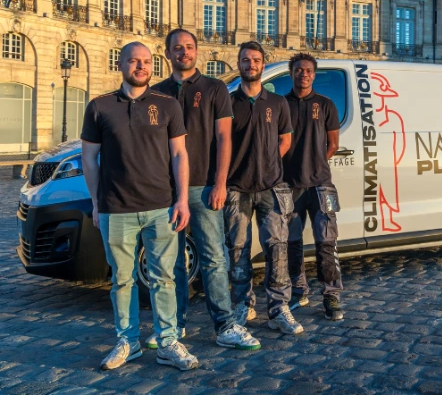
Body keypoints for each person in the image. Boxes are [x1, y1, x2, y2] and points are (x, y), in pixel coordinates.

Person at [81, 42, 198, 371]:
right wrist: (95, 202)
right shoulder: (100, 107)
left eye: (146, 62)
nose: (141, 66)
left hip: (161, 207)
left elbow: (179, 155)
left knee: (164, 279)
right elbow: (88, 158)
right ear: (121, 64)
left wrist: (182, 199)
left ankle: (168, 342)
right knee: (122, 279)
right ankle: (127, 342)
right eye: (134, 61)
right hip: (115, 209)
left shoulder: (167, 105)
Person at [149, 29, 260, 351]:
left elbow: (225, 138)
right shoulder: (157, 93)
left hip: (204, 187)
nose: (184, 52)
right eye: (177, 48)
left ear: (196, 51)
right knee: (173, 263)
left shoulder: (214, 89)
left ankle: (225, 325)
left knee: (213, 258)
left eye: (189, 47)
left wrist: (221, 183)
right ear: (168, 53)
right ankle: (174, 326)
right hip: (167, 191)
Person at [224, 41, 302, 334]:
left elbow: (285, 140)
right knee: (238, 249)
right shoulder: (229, 103)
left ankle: (279, 307)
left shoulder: (277, 102)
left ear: (263, 64)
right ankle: (243, 303)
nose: (251, 65)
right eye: (246, 60)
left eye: (256, 60)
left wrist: (266, 161)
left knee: (276, 247)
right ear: (240, 64)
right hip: (237, 186)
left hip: (271, 186)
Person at [284, 53, 344, 321]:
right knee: (291, 243)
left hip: (321, 185)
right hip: (289, 186)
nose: (303, 74)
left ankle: (331, 294)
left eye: (308, 71)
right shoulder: (282, 104)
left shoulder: (325, 104)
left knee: (327, 242)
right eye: (298, 70)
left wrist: (315, 163)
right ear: (291, 73)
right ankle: (299, 290)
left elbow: (333, 144)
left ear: (314, 75)